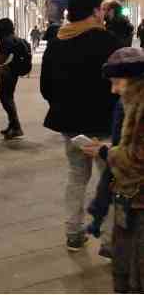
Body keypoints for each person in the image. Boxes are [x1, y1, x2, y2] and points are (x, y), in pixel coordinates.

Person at [40, 0, 121, 253]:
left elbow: (46, 88)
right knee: (109, 181)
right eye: (99, 10)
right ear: (95, 11)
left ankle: (73, 233)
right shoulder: (108, 41)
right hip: (103, 127)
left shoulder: (57, 42)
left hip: (71, 127)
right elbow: (122, 85)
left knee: (76, 177)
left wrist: (64, 108)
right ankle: (110, 242)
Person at [81, 47, 144, 292]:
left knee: (134, 270)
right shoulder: (131, 104)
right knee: (123, 265)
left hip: (138, 201)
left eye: (117, 82)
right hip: (129, 197)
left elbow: (138, 157)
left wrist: (106, 153)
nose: (113, 89)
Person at [0, 18, 25, 139]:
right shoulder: (14, 38)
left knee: (6, 100)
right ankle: (12, 125)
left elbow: (0, 59)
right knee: (8, 99)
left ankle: (16, 127)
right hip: (12, 72)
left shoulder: (6, 41)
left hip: (7, 73)